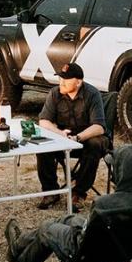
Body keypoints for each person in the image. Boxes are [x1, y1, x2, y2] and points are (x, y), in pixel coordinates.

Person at [4, 144, 132, 262]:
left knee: (47, 227)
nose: (112, 172)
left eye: (115, 168)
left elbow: (84, 236)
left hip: (92, 254)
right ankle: (17, 245)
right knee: (65, 219)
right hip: (127, 249)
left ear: (122, 172)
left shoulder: (105, 204)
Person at [35, 62, 107, 209]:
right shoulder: (55, 93)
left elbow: (99, 127)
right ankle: (51, 191)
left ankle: (79, 193)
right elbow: (43, 121)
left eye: (66, 79)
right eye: (60, 78)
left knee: (95, 144)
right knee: (42, 144)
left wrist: (77, 138)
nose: (61, 82)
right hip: (63, 138)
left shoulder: (92, 94)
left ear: (78, 82)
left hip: (86, 138)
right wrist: (60, 133)